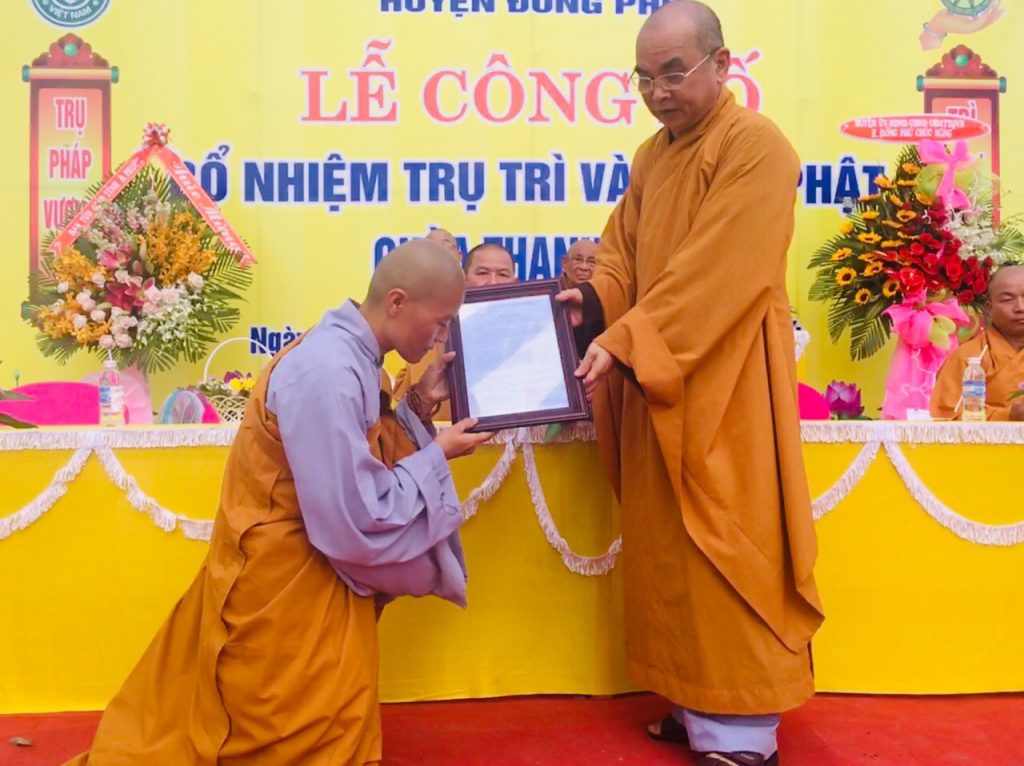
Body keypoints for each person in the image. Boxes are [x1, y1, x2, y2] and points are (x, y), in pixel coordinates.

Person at [65, 239, 493, 765]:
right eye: (442, 322)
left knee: (325, 725)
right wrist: (436, 456)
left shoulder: (355, 356)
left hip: (309, 570)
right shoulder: (328, 371)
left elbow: (359, 456)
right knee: (279, 734)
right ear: (398, 302)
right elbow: (355, 513)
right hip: (284, 578)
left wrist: (420, 402)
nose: (442, 337)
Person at [556, 3, 823, 765]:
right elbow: (623, 252)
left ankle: (741, 730)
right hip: (658, 381)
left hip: (726, 383)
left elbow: (718, 272)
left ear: (722, 64)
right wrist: (594, 301)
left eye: (674, 73)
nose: (658, 92)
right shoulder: (652, 155)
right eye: (644, 78)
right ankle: (691, 697)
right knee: (667, 549)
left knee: (726, 548)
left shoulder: (756, 147)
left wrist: (626, 338)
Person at [393, 242, 519, 419]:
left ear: (514, 282)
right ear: (464, 280)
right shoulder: (434, 335)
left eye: (503, 274)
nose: (492, 282)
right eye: (482, 273)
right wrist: (424, 399)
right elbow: (400, 421)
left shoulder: (532, 333)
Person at [930, 263, 1024, 421]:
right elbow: (946, 412)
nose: (1020, 307)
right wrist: (1008, 415)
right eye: (1008, 300)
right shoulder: (968, 356)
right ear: (989, 307)